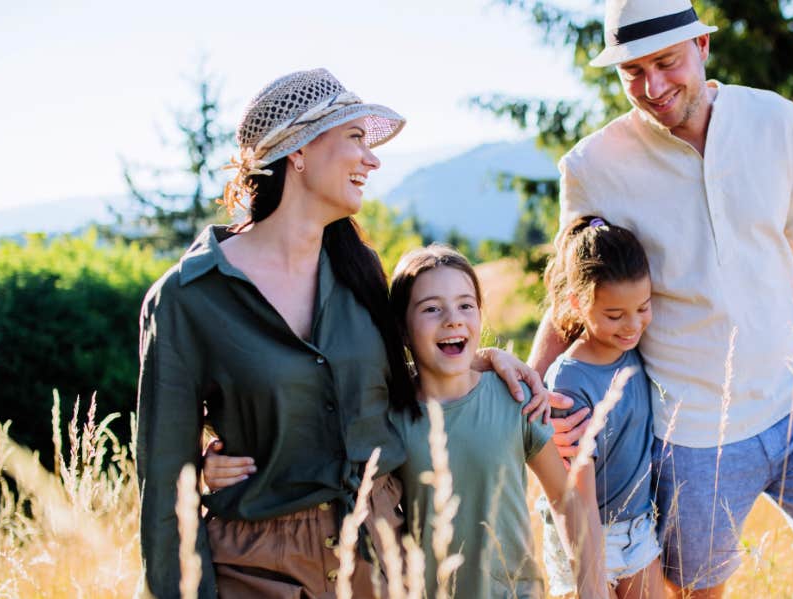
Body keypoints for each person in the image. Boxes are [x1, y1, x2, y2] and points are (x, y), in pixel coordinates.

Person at [528, 2, 793, 597]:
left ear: (702, 48)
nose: (652, 87)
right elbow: (573, 292)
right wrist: (533, 384)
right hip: (692, 436)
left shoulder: (775, 121)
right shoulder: (592, 166)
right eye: (632, 71)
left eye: (666, 62)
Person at [136, 68, 548, 599]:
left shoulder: (359, 272)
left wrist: (483, 359)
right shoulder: (187, 299)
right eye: (356, 138)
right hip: (259, 571)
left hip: (377, 565)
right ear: (299, 151)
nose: (372, 159)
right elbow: (163, 488)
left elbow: (401, 383)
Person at [386, 245, 607, 598]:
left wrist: (591, 589)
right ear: (401, 328)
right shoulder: (390, 414)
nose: (453, 319)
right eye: (431, 309)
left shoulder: (513, 397)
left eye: (465, 305)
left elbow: (564, 500)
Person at [536, 216, 664, 598]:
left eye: (643, 307)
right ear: (577, 303)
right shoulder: (569, 382)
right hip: (584, 534)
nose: (632, 325)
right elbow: (577, 495)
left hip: (638, 527)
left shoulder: (637, 350)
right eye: (614, 315)